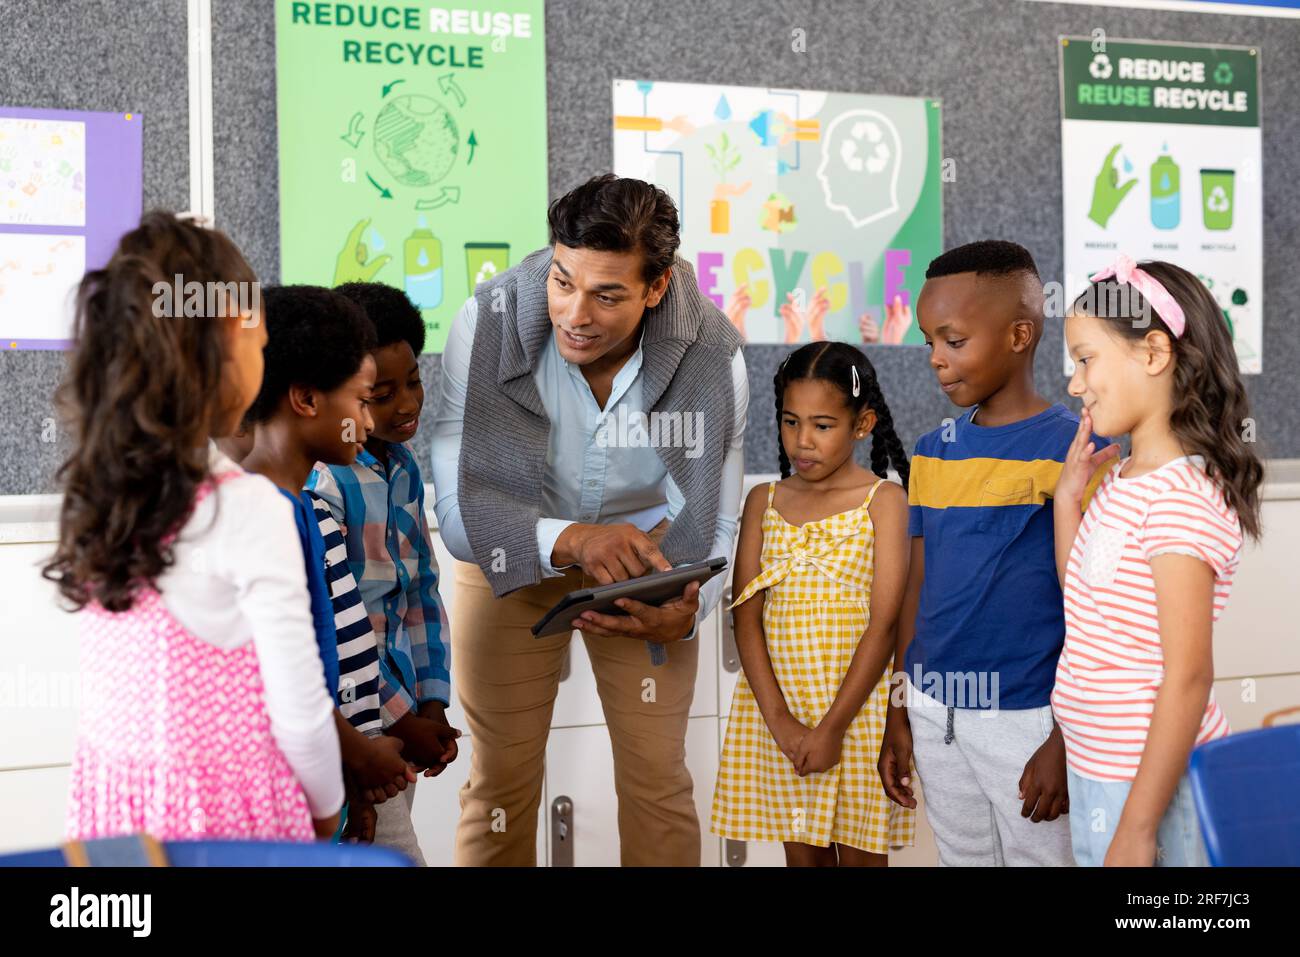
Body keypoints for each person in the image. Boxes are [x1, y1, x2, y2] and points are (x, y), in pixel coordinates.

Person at [431, 174, 748, 865]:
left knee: (658, 780)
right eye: (564, 281)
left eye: (608, 294)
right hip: (508, 550)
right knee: (499, 786)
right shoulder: (486, 324)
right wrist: (573, 539)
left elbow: (717, 521)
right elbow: (458, 510)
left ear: (656, 287)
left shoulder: (713, 355)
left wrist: (687, 610)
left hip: (646, 567)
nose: (576, 313)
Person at [47, 211, 342, 841]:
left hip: (115, 819)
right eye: (260, 345)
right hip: (225, 823)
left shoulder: (99, 492)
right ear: (229, 344)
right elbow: (300, 713)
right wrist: (325, 807)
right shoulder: (248, 508)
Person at [879, 240, 1109, 866]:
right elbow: (916, 588)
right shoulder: (931, 451)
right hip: (933, 711)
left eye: (953, 341)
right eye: (929, 342)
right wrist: (901, 709)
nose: (936, 359)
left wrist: (1066, 737)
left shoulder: (1082, 450)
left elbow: (1103, 608)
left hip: (1032, 719)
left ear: (1019, 335)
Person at [1054, 256, 1262, 866]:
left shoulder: (1179, 499)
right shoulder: (1123, 479)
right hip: (1101, 771)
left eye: (1085, 359)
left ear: (1152, 353)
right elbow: (1085, 598)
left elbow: (1189, 676)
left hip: (1150, 790)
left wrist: (1139, 829)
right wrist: (1070, 498)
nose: (1074, 384)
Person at [712, 342, 915, 866]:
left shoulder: (884, 502)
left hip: (857, 714)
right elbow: (746, 616)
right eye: (790, 421)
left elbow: (885, 624)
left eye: (822, 425)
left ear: (862, 423)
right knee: (802, 861)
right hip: (779, 713)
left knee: (863, 856)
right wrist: (781, 721)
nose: (802, 441)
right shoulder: (764, 502)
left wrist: (830, 729)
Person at [232, 284, 417, 844]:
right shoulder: (264, 517)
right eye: (362, 400)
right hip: (289, 798)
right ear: (308, 400)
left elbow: (346, 658)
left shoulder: (308, 511)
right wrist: (355, 758)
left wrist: (354, 779)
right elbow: (285, 683)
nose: (369, 420)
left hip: (337, 780)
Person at [306, 282, 458, 866]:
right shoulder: (327, 482)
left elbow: (420, 593)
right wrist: (402, 718)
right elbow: (345, 628)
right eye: (381, 393)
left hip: (400, 721)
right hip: (352, 725)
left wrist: (432, 705)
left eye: (414, 381)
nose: (406, 404)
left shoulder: (403, 469)